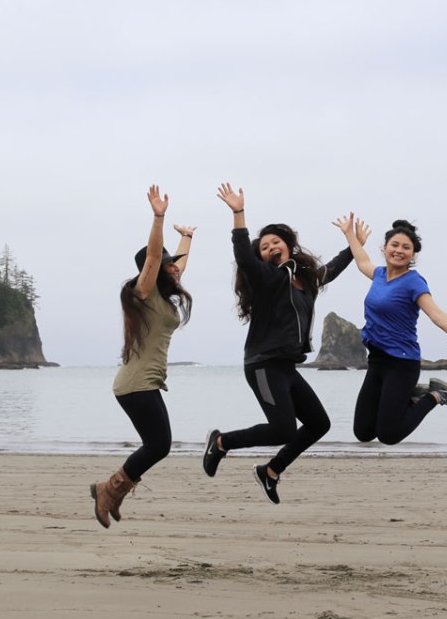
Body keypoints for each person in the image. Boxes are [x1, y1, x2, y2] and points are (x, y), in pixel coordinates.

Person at [201, 182, 363, 504]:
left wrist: (352, 242)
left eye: (277, 242)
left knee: (319, 423)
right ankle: (221, 443)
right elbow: (243, 257)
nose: (271, 247)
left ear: (288, 246)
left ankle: (271, 471)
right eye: (264, 246)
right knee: (284, 429)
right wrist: (238, 213)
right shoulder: (265, 279)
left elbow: (334, 268)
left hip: (287, 366)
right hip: (262, 363)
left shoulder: (307, 281)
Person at [333, 214, 447, 445]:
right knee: (364, 432)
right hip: (377, 361)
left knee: (389, 436)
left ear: (413, 254)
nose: (399, 250)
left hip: (402, 363)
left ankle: (436, 395)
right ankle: (410, 397)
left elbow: (437, 315)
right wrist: (350, 235)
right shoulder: (379, 275)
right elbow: (361, 261)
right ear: (385, 248)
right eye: (395, 245)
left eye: (406, 247)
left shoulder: (413, 282)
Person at [91, 185, 195, 528]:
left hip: (142, 383)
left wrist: (187, 238)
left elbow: (174, 264)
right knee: (159, 444)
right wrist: (158, 217)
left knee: (157, 444)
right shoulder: (144, 292)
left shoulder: (163, 297)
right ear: (151, 271)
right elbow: (153, 258)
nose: (173, 268)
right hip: (136, 384)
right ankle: (110, 489)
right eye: (166, 265)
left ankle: (112, 490)